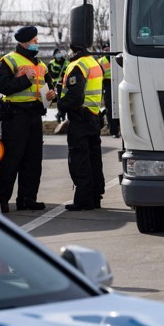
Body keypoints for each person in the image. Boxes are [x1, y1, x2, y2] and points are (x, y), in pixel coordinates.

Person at [0, 26, 55, 214]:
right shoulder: (9, 61)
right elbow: (2, 86)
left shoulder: (41, 65)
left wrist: (53, 95)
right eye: (35, 41)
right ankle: (2, 201)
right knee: (11, 160)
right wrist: (25, 81)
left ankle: (28, 199)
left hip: (35, 116)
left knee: (33, 160)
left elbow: (49, 86)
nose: (37, 44)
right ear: (24, 42)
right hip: (16, 116)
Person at [57, 43, 105, 211]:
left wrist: (61, 104)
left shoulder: (78, 65)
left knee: (79, 159)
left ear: (73, 50)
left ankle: (83, 200)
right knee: (93, 158)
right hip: (93, 115)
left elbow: (75, 96)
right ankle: (95, 197)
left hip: (80, 117)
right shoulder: (94, 62)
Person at [99, 43, 119, 137]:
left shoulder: (117, 57)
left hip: (118, 82)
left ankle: (120, 129)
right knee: (110, 108)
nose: (107, 51)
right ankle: (113, 131)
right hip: (107, 84)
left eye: (108, 49)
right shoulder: (100, 61)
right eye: (105, 50)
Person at [47, 48, 69, 124]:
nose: (58, 54)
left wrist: (64, 73)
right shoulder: (51, 63)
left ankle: (61, 114)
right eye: (57, 53)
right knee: (59, 100)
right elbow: (51, 74)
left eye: (59, 53)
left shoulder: (66, 63)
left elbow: (68, 71)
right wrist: (59, 72)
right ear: (54, 55)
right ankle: (60, 114)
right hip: (57, 85)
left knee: (65, 100)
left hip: (65, 85)